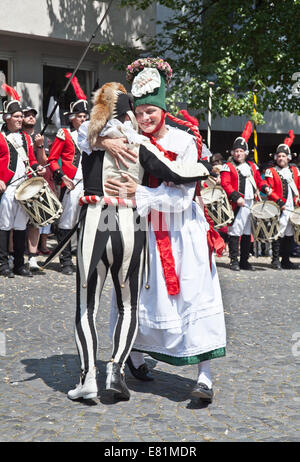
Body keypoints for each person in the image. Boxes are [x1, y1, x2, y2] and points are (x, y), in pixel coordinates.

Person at [69, 80, 211, 402]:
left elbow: (83, 133)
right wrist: (203, 169)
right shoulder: (137, 143)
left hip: (96, 218)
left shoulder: (89, 138)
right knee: (128, 304)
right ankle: (116, 369)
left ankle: (87, 377)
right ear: (132, 112)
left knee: (86, 306)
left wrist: (100, 136)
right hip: (129, 222)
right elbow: (174, 172)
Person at [102, 58, 226, 403]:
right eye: (140, 112)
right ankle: (136, 359)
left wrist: (138, 193)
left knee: (193, 296)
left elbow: (182, 198)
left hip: (181, 233)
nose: (145, 118)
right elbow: (89, 139)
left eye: (151, 111)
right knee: (136, 295)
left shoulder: (184, 141)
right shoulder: (127, 138)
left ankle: (204, 378)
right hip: (143, 230)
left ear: (163, 109)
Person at [0, 85, 46, 277]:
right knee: (4, 226)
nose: (20, 120)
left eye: (21, 117)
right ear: (6, 118)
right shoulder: (1, 137)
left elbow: (32, 160)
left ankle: (19, 264)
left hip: (24, 187)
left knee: (20, 226)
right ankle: (3, 264)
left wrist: (38, 168)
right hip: (7, 187)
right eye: (16, 116)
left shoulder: (27, 139)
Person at [220, 122, 271, 271]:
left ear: (246, 152)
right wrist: (236, 197)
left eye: (241, 151)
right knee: (235, 231)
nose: (238, 154)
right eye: (236, 151)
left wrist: (265, 187)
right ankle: (234, 261)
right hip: (238, 204)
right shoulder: (227, 167)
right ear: (232, 153)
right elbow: (225, 183)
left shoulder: (252, 166)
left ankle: (244, 261)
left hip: (251, 203)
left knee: (248, 232)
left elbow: (259, 180)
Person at [48, 86, 89, 275]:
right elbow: (52, 160)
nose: (83, 119)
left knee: (85, 223)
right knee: (67, 223)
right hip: (71, 183)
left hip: (88, 184)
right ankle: (65, 261)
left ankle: (82, 259)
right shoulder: (64, 134)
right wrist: (62, 177)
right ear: (72, 117)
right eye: (80, 116)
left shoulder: (92, 137)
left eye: (85, 116)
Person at [22, 106, 51, 271]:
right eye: (26, 115)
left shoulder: (42, 138)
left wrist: (39, 146)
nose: (31, 117)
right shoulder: (16, 136)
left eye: (33, 115)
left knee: (35, 221)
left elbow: (43, 162)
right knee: (15, 224)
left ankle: (32, 258)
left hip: (35, 183)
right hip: (19, 182)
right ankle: (14, 256)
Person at [265, 130, 300, 269]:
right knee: (278, 233)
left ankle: (286, 259)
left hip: (293, 206)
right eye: (279, 156)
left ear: (289, 157)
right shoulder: (271, 171)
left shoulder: (296, 171)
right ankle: (275, 260)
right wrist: (279, 202)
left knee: (290, 234)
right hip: (279, 207)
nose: (281, 158)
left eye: (283, 156)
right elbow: (269, 189)